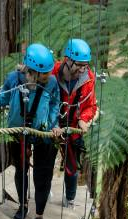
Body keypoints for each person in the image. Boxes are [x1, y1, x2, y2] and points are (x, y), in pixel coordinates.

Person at [0, 43, 60, 219]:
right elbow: (2, 99)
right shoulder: (14, 79)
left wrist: (53, 124)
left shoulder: (51, 83)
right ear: (31, 71)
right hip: (18, 133)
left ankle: (39, 217)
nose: (47, 76)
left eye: (47, 73)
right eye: (43, 73)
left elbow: (55, 104)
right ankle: (23, 206)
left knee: (42, 177)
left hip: (43, 135)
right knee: (21, 170)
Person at [51, 39, 97, 207]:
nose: (82, 69)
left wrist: (84, 120)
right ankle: (44, 191)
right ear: (67, 60)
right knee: (46, 161)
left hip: (73, 127)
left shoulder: (88, 79)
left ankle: (70, 198)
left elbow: (91, 106)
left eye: (85, 65)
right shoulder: (52, 72)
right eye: (79, 65)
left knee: (71, 167)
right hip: (51, 124)